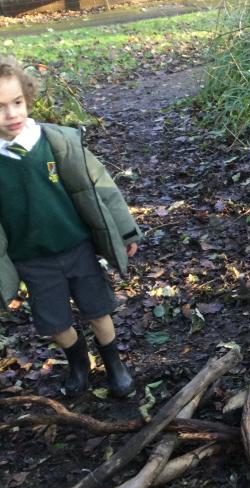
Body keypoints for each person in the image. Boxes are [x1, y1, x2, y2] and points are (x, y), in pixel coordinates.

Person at [0, 55, 139, 398]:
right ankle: (79, 361)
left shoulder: (57, 142)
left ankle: (114, 363)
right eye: (0, 107)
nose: (11, 114)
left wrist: (125, 230)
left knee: (98, 310)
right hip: (32, 260)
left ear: (27, 98)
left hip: (77, 247)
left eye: (17, 102)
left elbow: (100, 185)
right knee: (54, 324)